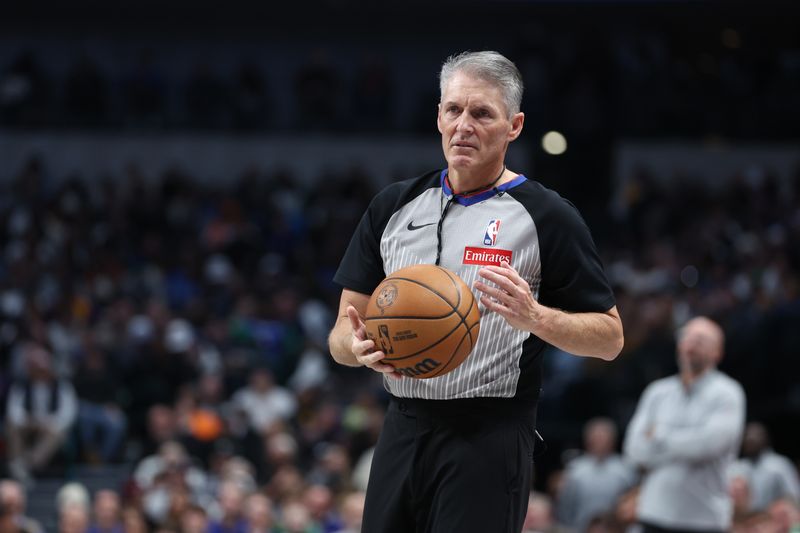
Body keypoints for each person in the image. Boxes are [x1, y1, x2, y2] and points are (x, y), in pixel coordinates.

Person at [328, 50, 623, 533]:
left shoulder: (548, 217)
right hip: (401, 424)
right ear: (439, 116)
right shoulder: (392, 207)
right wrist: (356, 348)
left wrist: (536, 318)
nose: (463, 125)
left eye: (482, 113)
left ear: (514, 126)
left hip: (489, 433)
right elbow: (342, 332)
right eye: (453, 110)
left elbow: (610, 340)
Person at [623, 316, 746, 533]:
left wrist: (658, 436)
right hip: (653, 515)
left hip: (704, 520)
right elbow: (633, 450)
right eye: (687, 336)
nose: (692, 342)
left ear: (718, 352)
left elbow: (708, 446)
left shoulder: (728, 393)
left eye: (702, 339)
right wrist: (687, 442)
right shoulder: (657, 392)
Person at [5, 342, 78, 484]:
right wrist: (29, 421)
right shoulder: (21, 385)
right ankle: (19, 466)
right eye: (36, 367)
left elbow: (68, 415)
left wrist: (47, 422)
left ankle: (26, 465)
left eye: (42, 368)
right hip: (28, 425)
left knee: (58, 433)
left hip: (51, 427)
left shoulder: (62, 386)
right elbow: (13, 411)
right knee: (11, 426)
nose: (39, 371)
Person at [557, 418, 636, 532]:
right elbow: (565, 506)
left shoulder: (626, 469)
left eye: (603, 437)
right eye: (596, 437)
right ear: (587, 440)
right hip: (579, 528)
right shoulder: (574, 469)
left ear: (612, 440)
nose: (599, 441)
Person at [731, 421, 800, 512]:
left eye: (756, 435)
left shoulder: (779, 465)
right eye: (747, 435)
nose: (750, 439)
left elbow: (793, 496)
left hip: (772, 518)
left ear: (766, 438)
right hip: (744, 518)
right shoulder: (737, 466)